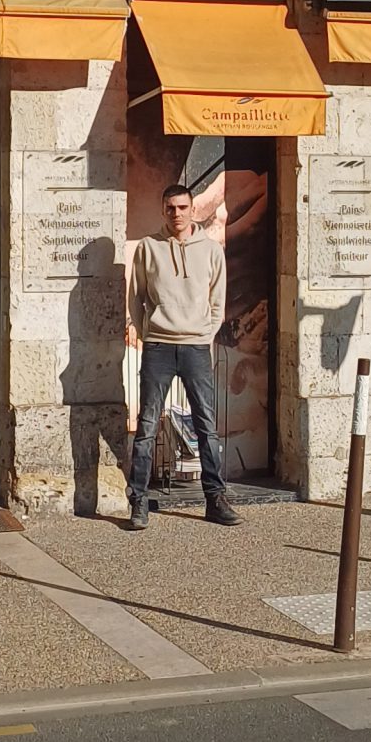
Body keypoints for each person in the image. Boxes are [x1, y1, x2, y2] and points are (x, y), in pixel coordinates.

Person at [126, 182, 240, 530]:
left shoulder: (210, 250)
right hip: (159, 346)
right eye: (170, 208)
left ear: (192, 210)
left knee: (206, 425)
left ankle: (214, 499)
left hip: (195, 347)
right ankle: (139, 501)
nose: (176, 213)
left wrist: (205, 334)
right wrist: (146, 334)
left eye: (182, 207)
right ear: (163, 210)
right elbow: (136, 296)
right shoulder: (149, 248)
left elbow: (218, 299)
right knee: (146, 426)